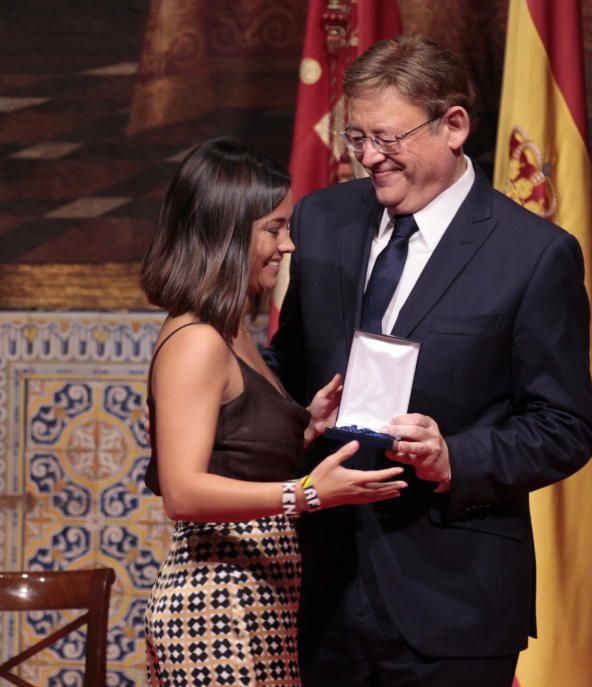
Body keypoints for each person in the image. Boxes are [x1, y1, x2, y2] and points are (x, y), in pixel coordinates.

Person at [267, 35, 592, 686]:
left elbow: (564, 426)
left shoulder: (532, 254)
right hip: (323, 585)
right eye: (356, 137)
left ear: (453, 126)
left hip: (456, 598)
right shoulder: (322, 219)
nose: (366, 156)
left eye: (386, 139)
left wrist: (456, 456)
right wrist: (287, 418)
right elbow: (290, 360)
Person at [139, 137, 408, 687]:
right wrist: (307, 493)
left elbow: (232, 453)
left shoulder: (232, 327)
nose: (287, 246)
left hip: (261, 601)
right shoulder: (196, 340)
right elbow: (182, 493)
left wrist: (303, 427)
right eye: (274, 228)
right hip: (216, 608)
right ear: (226, 231)